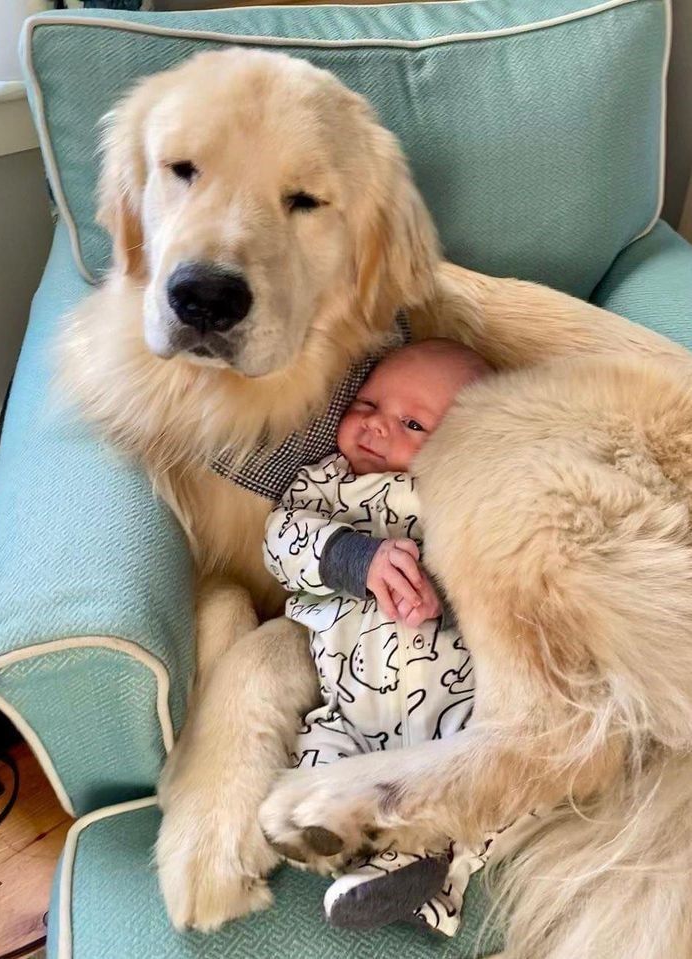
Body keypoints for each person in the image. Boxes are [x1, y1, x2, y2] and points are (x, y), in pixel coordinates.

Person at [263, 339, 494, 935]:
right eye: (367, 402)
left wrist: (447, 585)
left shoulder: (458, 497)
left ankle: (419, 867)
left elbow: (504, 571)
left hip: (456, 708)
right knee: (312, 763)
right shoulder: (325, 486)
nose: (375, 425)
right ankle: (355, 847)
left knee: (473, 781)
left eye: (412, 422)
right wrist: (351, 558)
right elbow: (281, 542)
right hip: (349, 706)